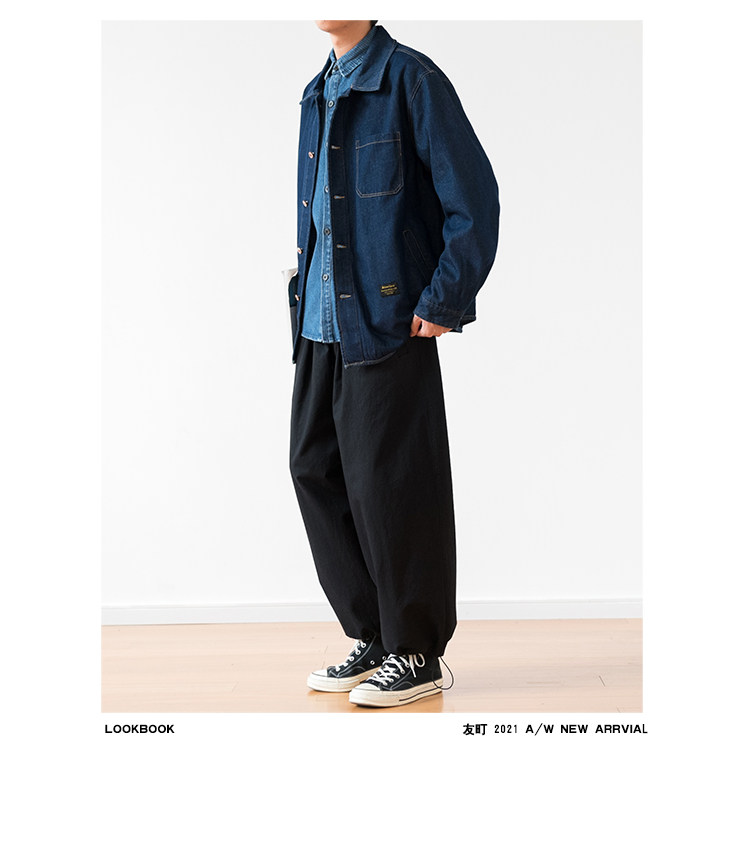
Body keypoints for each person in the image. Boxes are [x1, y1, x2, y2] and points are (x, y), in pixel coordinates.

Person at [287, 20, 500, 708]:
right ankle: (377, 634)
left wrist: (445, 296)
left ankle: (418, 650)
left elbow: (475, 199)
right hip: (321, 322)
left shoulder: (411, 79)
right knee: (314, 469)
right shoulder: (316, 91)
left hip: (386, 318)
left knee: (394, 485)